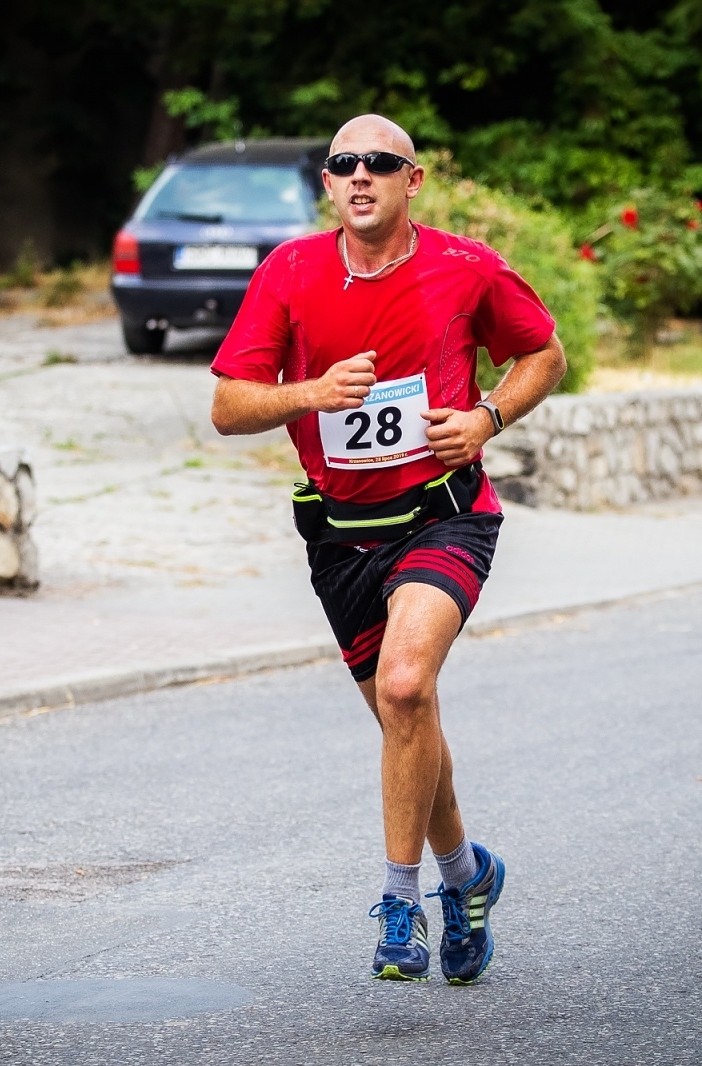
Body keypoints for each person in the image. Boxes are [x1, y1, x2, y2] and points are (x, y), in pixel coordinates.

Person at [209, 114, 567, 982]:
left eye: (380, 163)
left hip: (444, 515)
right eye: (343, 165)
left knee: (408, 685)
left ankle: (400, 904)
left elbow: (544, 355)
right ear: (328, 187)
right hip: (339, 537)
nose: (360, 175)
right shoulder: (290, 272)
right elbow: (228, 407)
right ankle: (469, 877)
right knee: (405, 720)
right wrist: (311, 394)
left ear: (413, 181)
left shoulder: (464, 266)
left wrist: (486, 417)